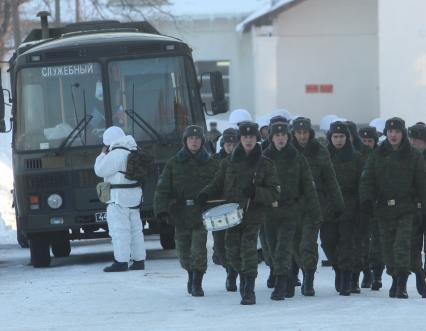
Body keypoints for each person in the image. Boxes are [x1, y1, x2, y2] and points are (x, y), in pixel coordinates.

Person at [198, 121, 279, 305]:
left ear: (256, 139)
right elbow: (217, 183)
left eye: (251, 137)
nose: (248, 140)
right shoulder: (228, 163)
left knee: (248, 250)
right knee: (231, 253)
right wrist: (205, 194)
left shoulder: (265, 164)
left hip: (253, 214)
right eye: (245, 137)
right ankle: (242, 276)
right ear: (240, 139)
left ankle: (249, 289)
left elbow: (274, 192)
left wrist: (256, 192)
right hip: (232, 217)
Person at [360, 117, 426, 298]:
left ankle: (402, 284)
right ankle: (395, 278)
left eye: (396, 132)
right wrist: (366, 200)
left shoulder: (414, 155)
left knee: (402, 245)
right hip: (383, 209)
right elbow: (367, 180)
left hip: (407, 209)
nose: (393, 135)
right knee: (387, 248)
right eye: (390, 132)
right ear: (386, 133)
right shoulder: (377, 154)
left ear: (402, 133)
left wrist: (423, 210)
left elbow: (422, 185)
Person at [153, 125, 218, 297]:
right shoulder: (174, 163)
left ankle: (197, 281)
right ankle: (190, 274)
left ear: (202, 141)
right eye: (191, 139)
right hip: (180, 214)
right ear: (185, 141)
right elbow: (163, 189)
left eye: (197, 139)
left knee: (198, 249)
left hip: (201, 214)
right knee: (183, 252)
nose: (194, 141)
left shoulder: (210, 163)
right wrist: (162, 211)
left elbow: (220, 185)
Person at [262, 122, 321, 300]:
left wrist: (315, 211)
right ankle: (287, 280)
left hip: (290, 210)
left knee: (283, 248)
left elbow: (308, 186)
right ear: (271, 138)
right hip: (270, 212)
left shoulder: (297, 158)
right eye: (277, 135)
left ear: (288, 137)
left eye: (284, 135)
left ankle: (280, 286)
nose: (280, 138)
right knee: (272, 250)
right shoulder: (264, 158)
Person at [291, 117, 344, 296]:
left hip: (314, 204)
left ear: (310, 133)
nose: (302, 136)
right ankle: (297, 273)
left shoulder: (320, 152)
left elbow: (331, 180)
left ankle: (308, 278)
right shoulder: (287, 151)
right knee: (294, 243)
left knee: (308, 243)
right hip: (292, 205)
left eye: (305, 132)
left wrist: (338, 203)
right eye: (298, 133)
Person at [94, 126, 146, 272]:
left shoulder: (115, 153)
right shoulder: (133, 150)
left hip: (119, 198)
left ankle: (121, 261)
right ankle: (139, 260)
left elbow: (99, 170)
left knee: (119, 230)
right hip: (135, 196)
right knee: (136, 230)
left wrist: (102, 154)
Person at [320, 121, 364, 296]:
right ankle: (338, 269)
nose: (338, 140)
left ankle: (346, 278)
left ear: (348, 138)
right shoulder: (323, 157)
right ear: (330, 138)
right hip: (329, 205)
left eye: (342, 136)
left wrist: (361, 207)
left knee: (346, 243)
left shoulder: (357, 158)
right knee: (328, 242)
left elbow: (363, 183)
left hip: (349, 204)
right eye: (335, 137)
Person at [211, 128, 239, 291]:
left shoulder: (243, 160)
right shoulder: (214, 161)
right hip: (219, 208)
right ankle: (228, 268)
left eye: (233, 144)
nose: (231, 148)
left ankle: (233, 274)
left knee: (235, 244)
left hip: (237, 207)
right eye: (228, 144)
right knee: (220, 246)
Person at [358, 126, 384, 291]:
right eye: (364, 141)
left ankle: (377, 273)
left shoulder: (381, 157)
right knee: (361, 241)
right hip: (359, 205)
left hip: (378, 204)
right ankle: (366, 271)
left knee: (377, 241)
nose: (367, 144)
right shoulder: (355, 156)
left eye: (370, 141)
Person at [407, 123, 426, 297]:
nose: (412, 142)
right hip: (412, 209)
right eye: (411, 138)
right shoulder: (407, 158)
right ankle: (419, 273)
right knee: (413, 247)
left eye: (416, 139)